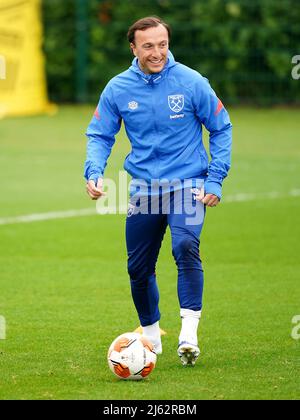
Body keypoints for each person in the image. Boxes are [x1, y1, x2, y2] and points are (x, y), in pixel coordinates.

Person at [84, 16, 232, 366]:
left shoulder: (192, 82)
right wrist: (94, 172)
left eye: (162, 44)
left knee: (185, 244)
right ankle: (150, 336)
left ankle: (189, 335)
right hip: (144, 190)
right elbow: (100, 134)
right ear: (133, 48)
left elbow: (221, 129)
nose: (157, 52)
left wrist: (215, 178)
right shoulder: (118, 88)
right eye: (148, 45)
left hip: (190, 183)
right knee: (137, 267)